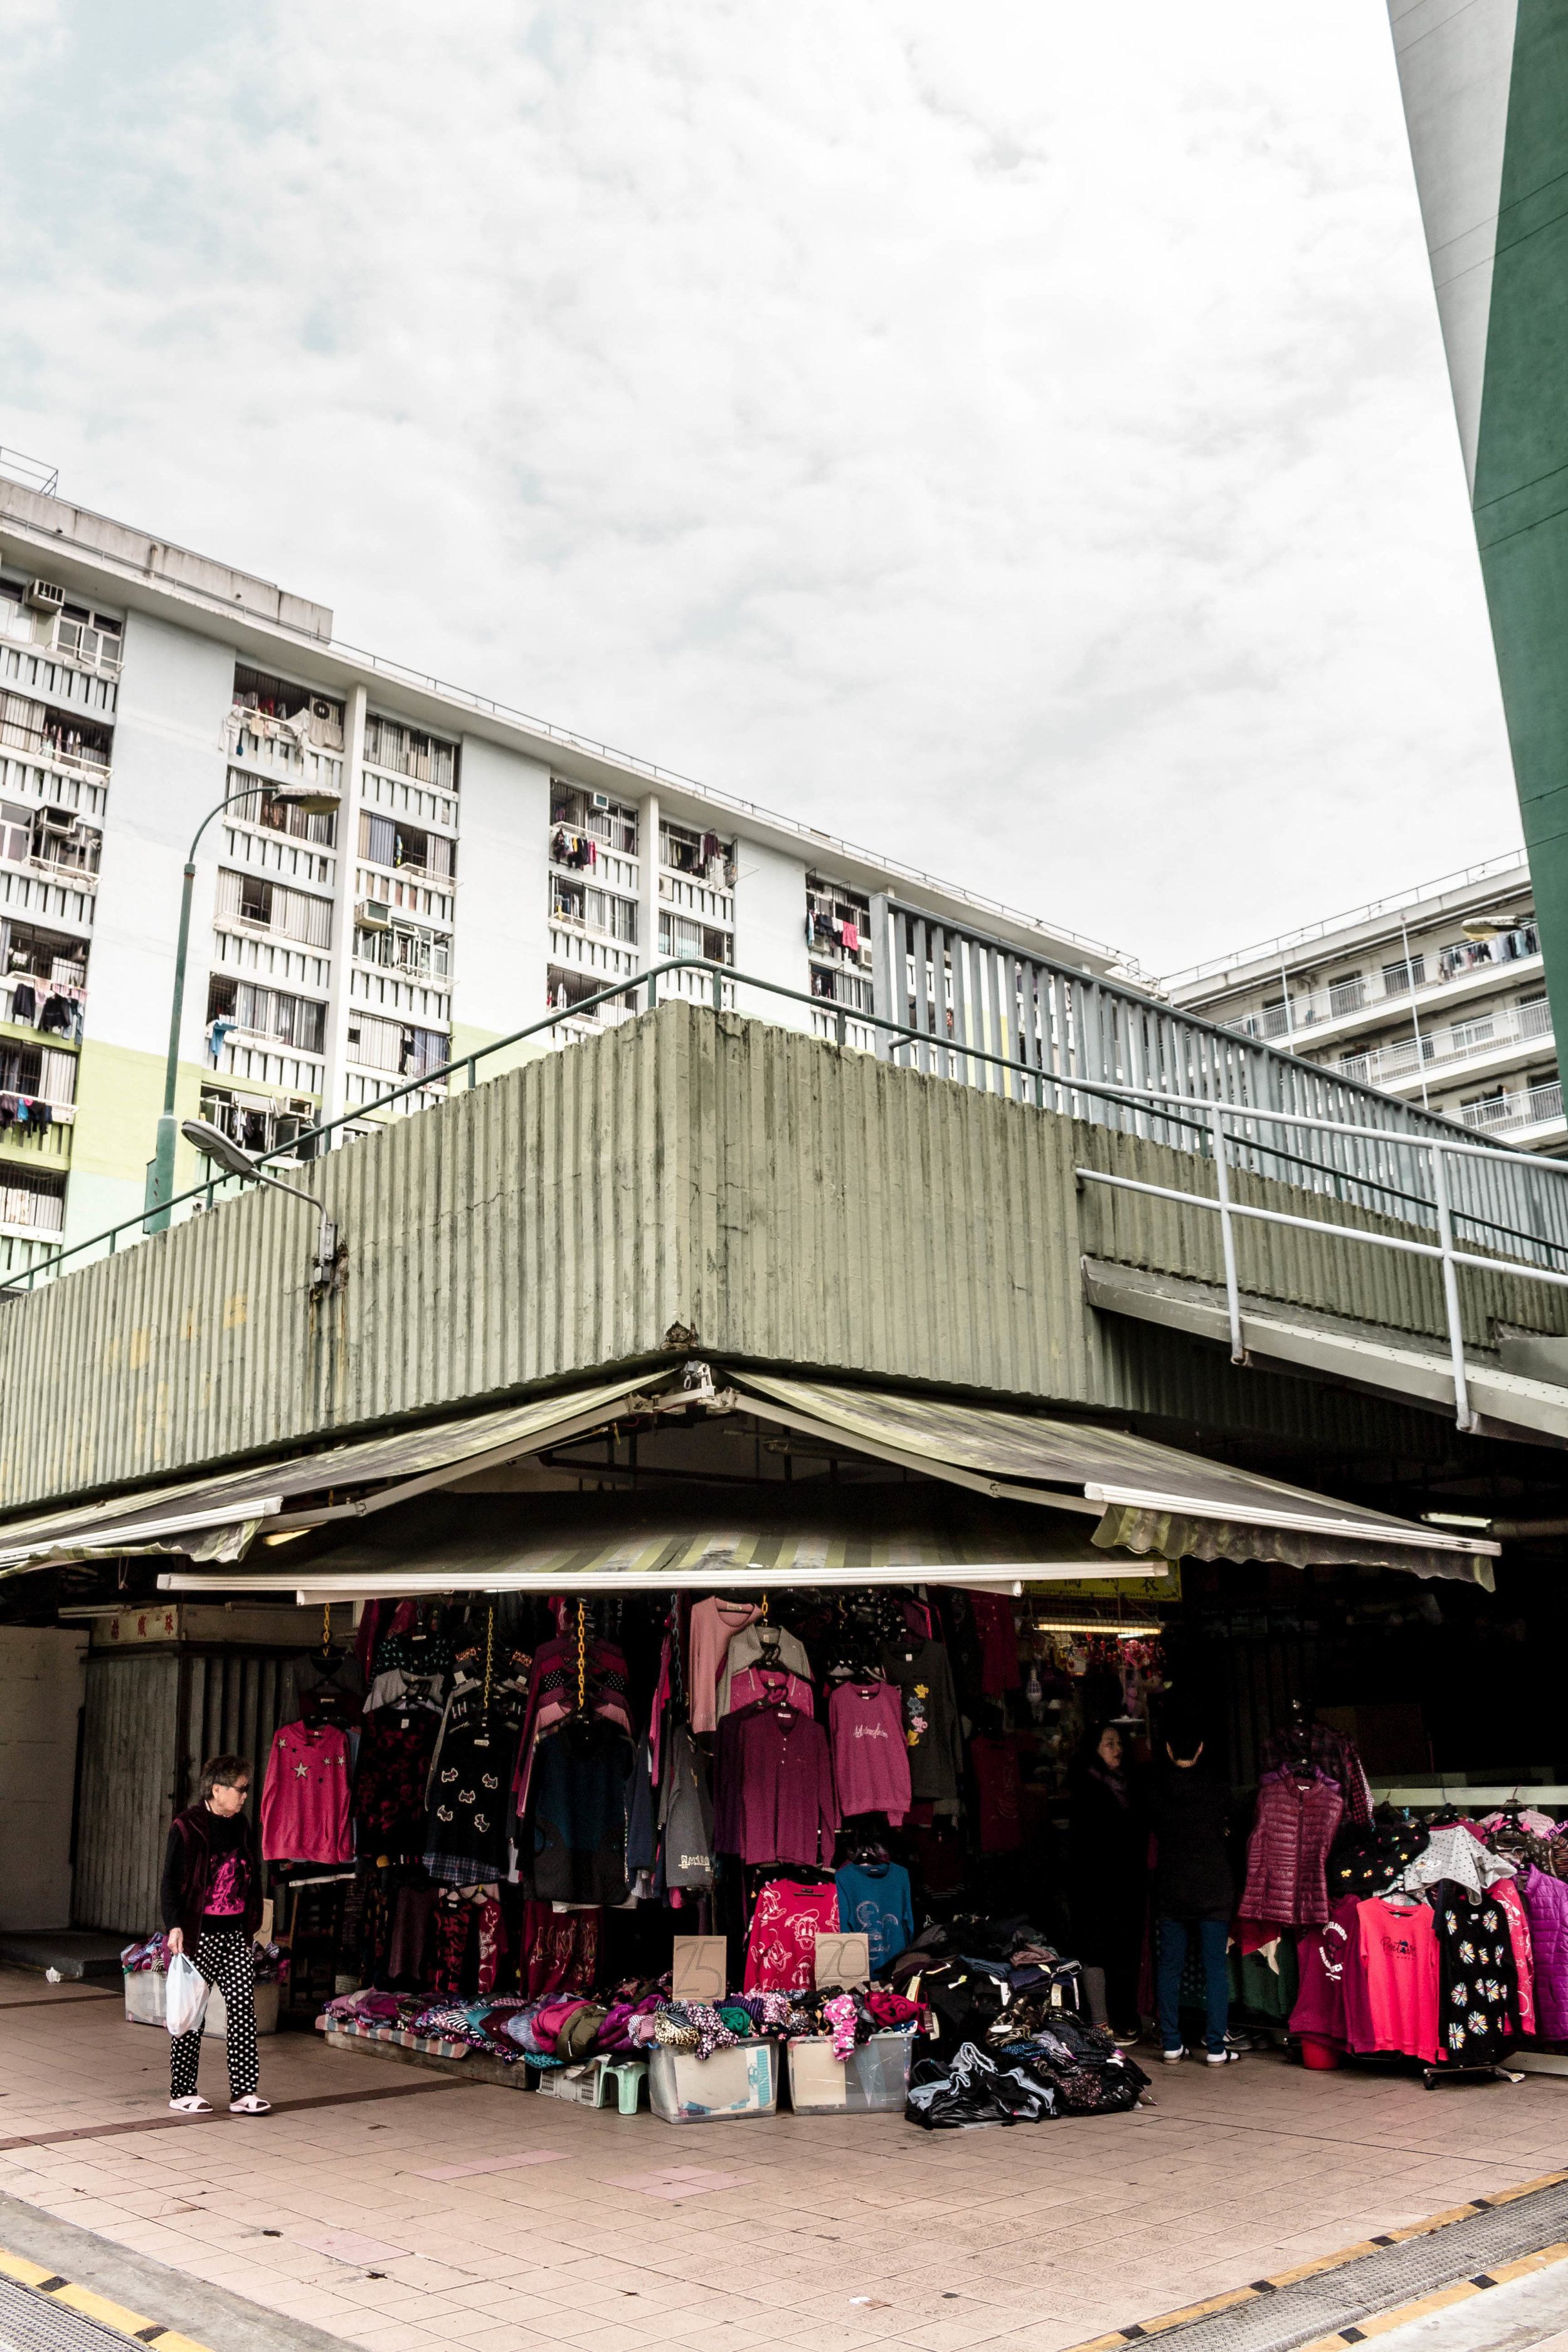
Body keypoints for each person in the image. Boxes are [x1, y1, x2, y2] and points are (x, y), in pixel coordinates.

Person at [160, 1752, 270, 2116]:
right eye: (240, 1789)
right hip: (199, 1935)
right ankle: (182, 2091)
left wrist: (252, 1919)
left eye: (246, 1790)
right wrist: (174, 1924)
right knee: (193, 2014)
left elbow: (252, 1873)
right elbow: (170, 1883)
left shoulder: (241, 1826)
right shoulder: (187, 1826)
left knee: (243, 2010)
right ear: (217, 1789)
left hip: (235, 1934)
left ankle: (243, 2093)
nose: (244, 1796)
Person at [1147, 1718, 1239, 2066]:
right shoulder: (1218, 1789)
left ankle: (1172, 2043)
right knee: (1215, 1968)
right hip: (1213, 1888)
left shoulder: (1155, 1793)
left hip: (1172, 1889)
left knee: (1170, 1968)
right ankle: (1216, 2049)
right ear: (1201, 1749)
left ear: (1169, 1751)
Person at [1067, 1720, 1147, 2044]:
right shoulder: (1085, 1785)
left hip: (1126, 1881)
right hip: (1094, 1882)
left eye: (1118, 1743)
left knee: (1126, 1949)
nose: (1118, 1750)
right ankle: (1100, 2022)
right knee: (1097, 1948)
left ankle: (1126, 2016)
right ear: (1094, 1749)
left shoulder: (1130, 1784)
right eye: (1109, 1744)